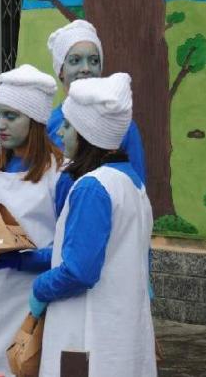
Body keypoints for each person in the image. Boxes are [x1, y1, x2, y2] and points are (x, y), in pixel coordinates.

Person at [29, 73, 156, 377]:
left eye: (68, 125)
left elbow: (79, 271)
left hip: (87, 337)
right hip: (119, 333)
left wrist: (39, 288)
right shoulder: (132, 182)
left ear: (88, 133)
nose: (60, 132)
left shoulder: (92, 187)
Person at [0, 65, 64, 376]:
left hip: (32, 301)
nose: (0, 125)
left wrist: (21, 260)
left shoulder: (60, 173)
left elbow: (66, 250)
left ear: (35, 120)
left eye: (11, 116)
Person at [45, 20, 146, 181]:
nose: (86, 68)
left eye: (94, 61)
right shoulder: (48, 126)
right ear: (61, 70)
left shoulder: (120, 125)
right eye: (75, 60)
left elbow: (135, 184)